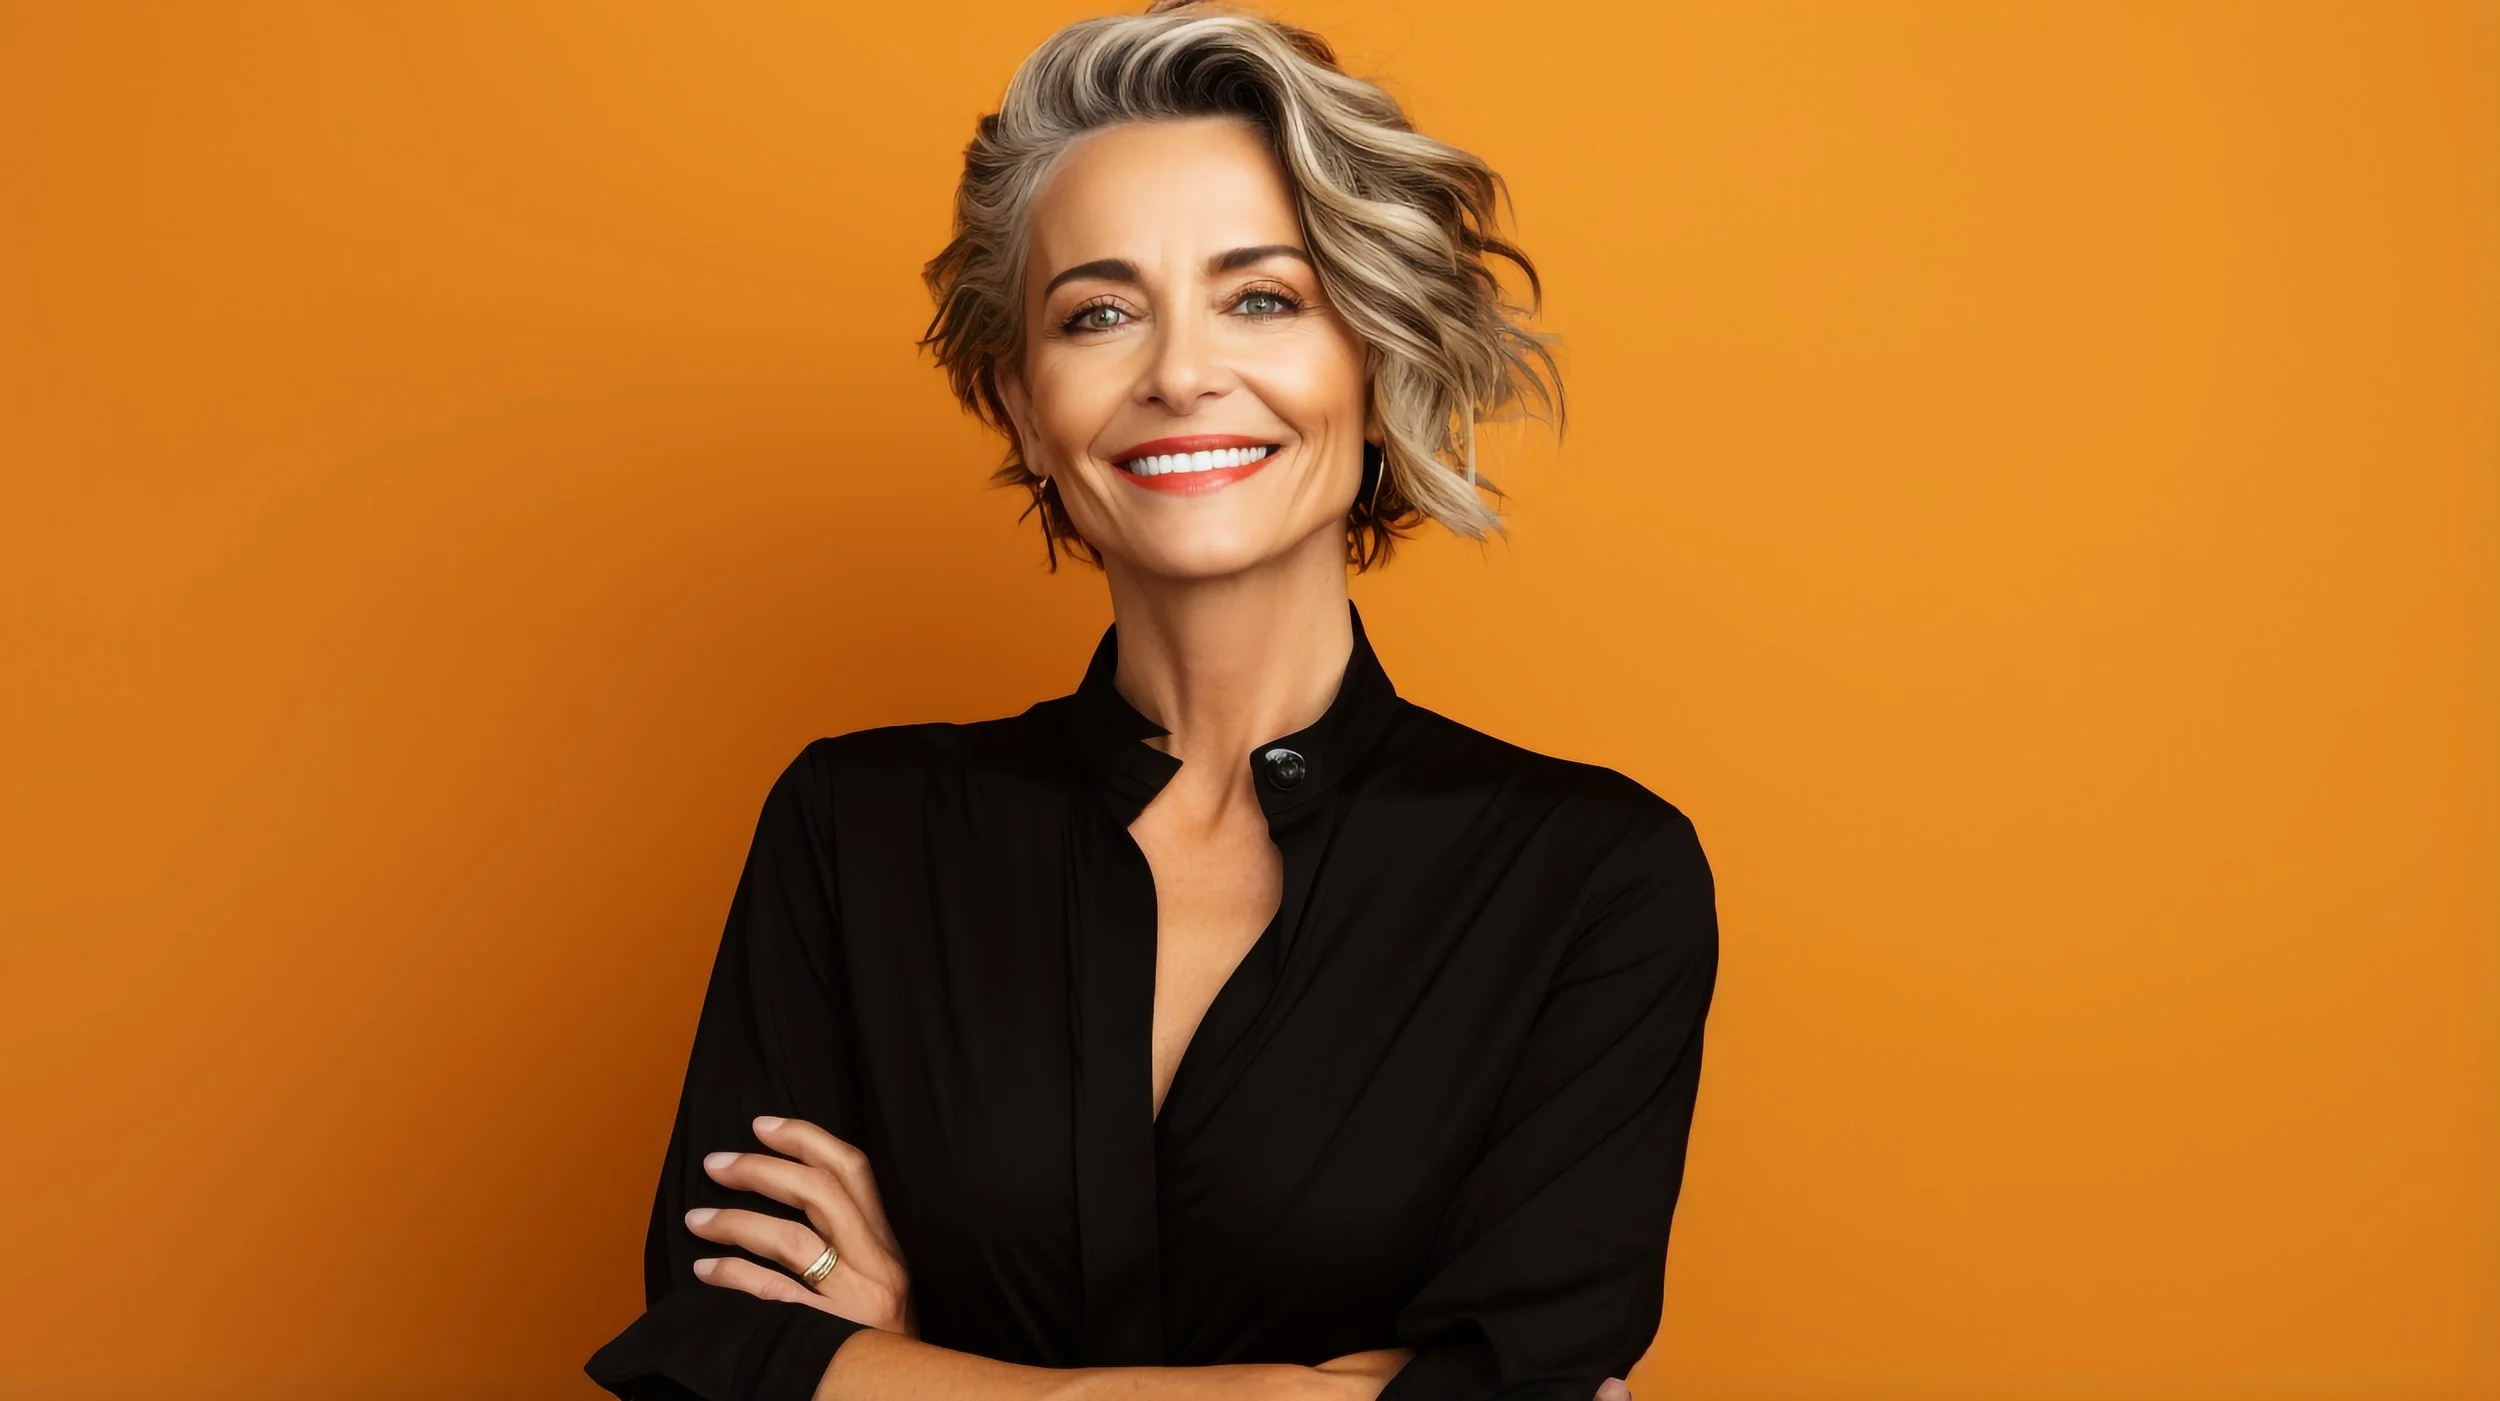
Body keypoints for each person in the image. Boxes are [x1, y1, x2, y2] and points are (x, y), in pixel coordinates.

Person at [583, 3, 1719, 1398]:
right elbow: (713, 1357)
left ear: (1377, 359)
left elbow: (1520, 1376)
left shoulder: (1591, 879)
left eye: (1263, 297)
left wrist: (896, 1368)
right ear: (1018, 397)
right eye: (1100, 313)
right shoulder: (852, 832)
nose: (1180, 372)